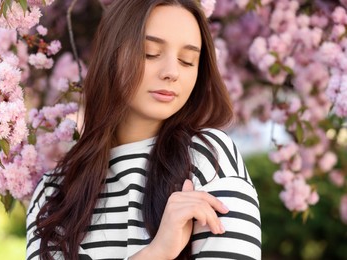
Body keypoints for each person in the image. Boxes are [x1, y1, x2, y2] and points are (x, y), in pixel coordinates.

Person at [26, 0, 261, 259]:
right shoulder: (53, 194)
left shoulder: (207, 157)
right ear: (111, 57)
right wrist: (157, 253)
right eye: (150, 53)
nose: (172, 72)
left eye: (187, 61)